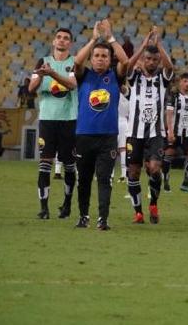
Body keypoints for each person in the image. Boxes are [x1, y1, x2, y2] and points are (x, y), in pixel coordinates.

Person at [71, 19, 129, 230]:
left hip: (107, 138)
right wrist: (94, 39)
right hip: (84, 135)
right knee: (84, 179)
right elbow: (77, 62)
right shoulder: (84, 75)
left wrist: (110, 38)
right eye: (96, 56)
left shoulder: (115, 76)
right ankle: (83, 216)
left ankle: (102, 219)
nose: (100, 59)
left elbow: (126, 61)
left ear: (110, 59)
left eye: (104, 56)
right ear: (92, 58)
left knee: (105, 180)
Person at [124, 27, 174, 224]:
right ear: (143, 60)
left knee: (154, 168)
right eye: (148, 59)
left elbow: (170, 67)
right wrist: (144, 45)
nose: (151, 62)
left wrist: (159, 46)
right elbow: (127, 66)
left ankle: (153, 203)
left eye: (155, 60)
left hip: (155, 133)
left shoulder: (162, 79)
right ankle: (138, 212)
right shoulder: (134, 77)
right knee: (133, 172)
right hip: (134, 133)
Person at [28, 27, 78, 220]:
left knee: (69, 164)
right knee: (45, 163)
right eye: (59, 37)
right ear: (53, 41)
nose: (62, 41)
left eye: (66, 38)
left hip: (68, 119)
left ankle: (66, 204)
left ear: (70, 43)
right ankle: (44, 208)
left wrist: (51, 75)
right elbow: (32, 88)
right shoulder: (43, 62)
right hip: (48, 119)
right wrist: (41, 74)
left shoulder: (74, 63)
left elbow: (72, 85)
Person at [162, 73, 188, 194]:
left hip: (187, 133)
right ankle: (166, 182)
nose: (187, 84)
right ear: (180, 82)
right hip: (174, 132)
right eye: (185, 81)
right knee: (168, 156)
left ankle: (185, 183)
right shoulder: (174, 96)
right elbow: (169, 114)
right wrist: (170, 132)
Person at [113, 84, 130, 183]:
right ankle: (123, 174)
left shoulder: (113, 96)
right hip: (124, 123)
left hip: (114, 122)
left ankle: (111, 174)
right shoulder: (127, 100)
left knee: (111, 148)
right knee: (123, 149)